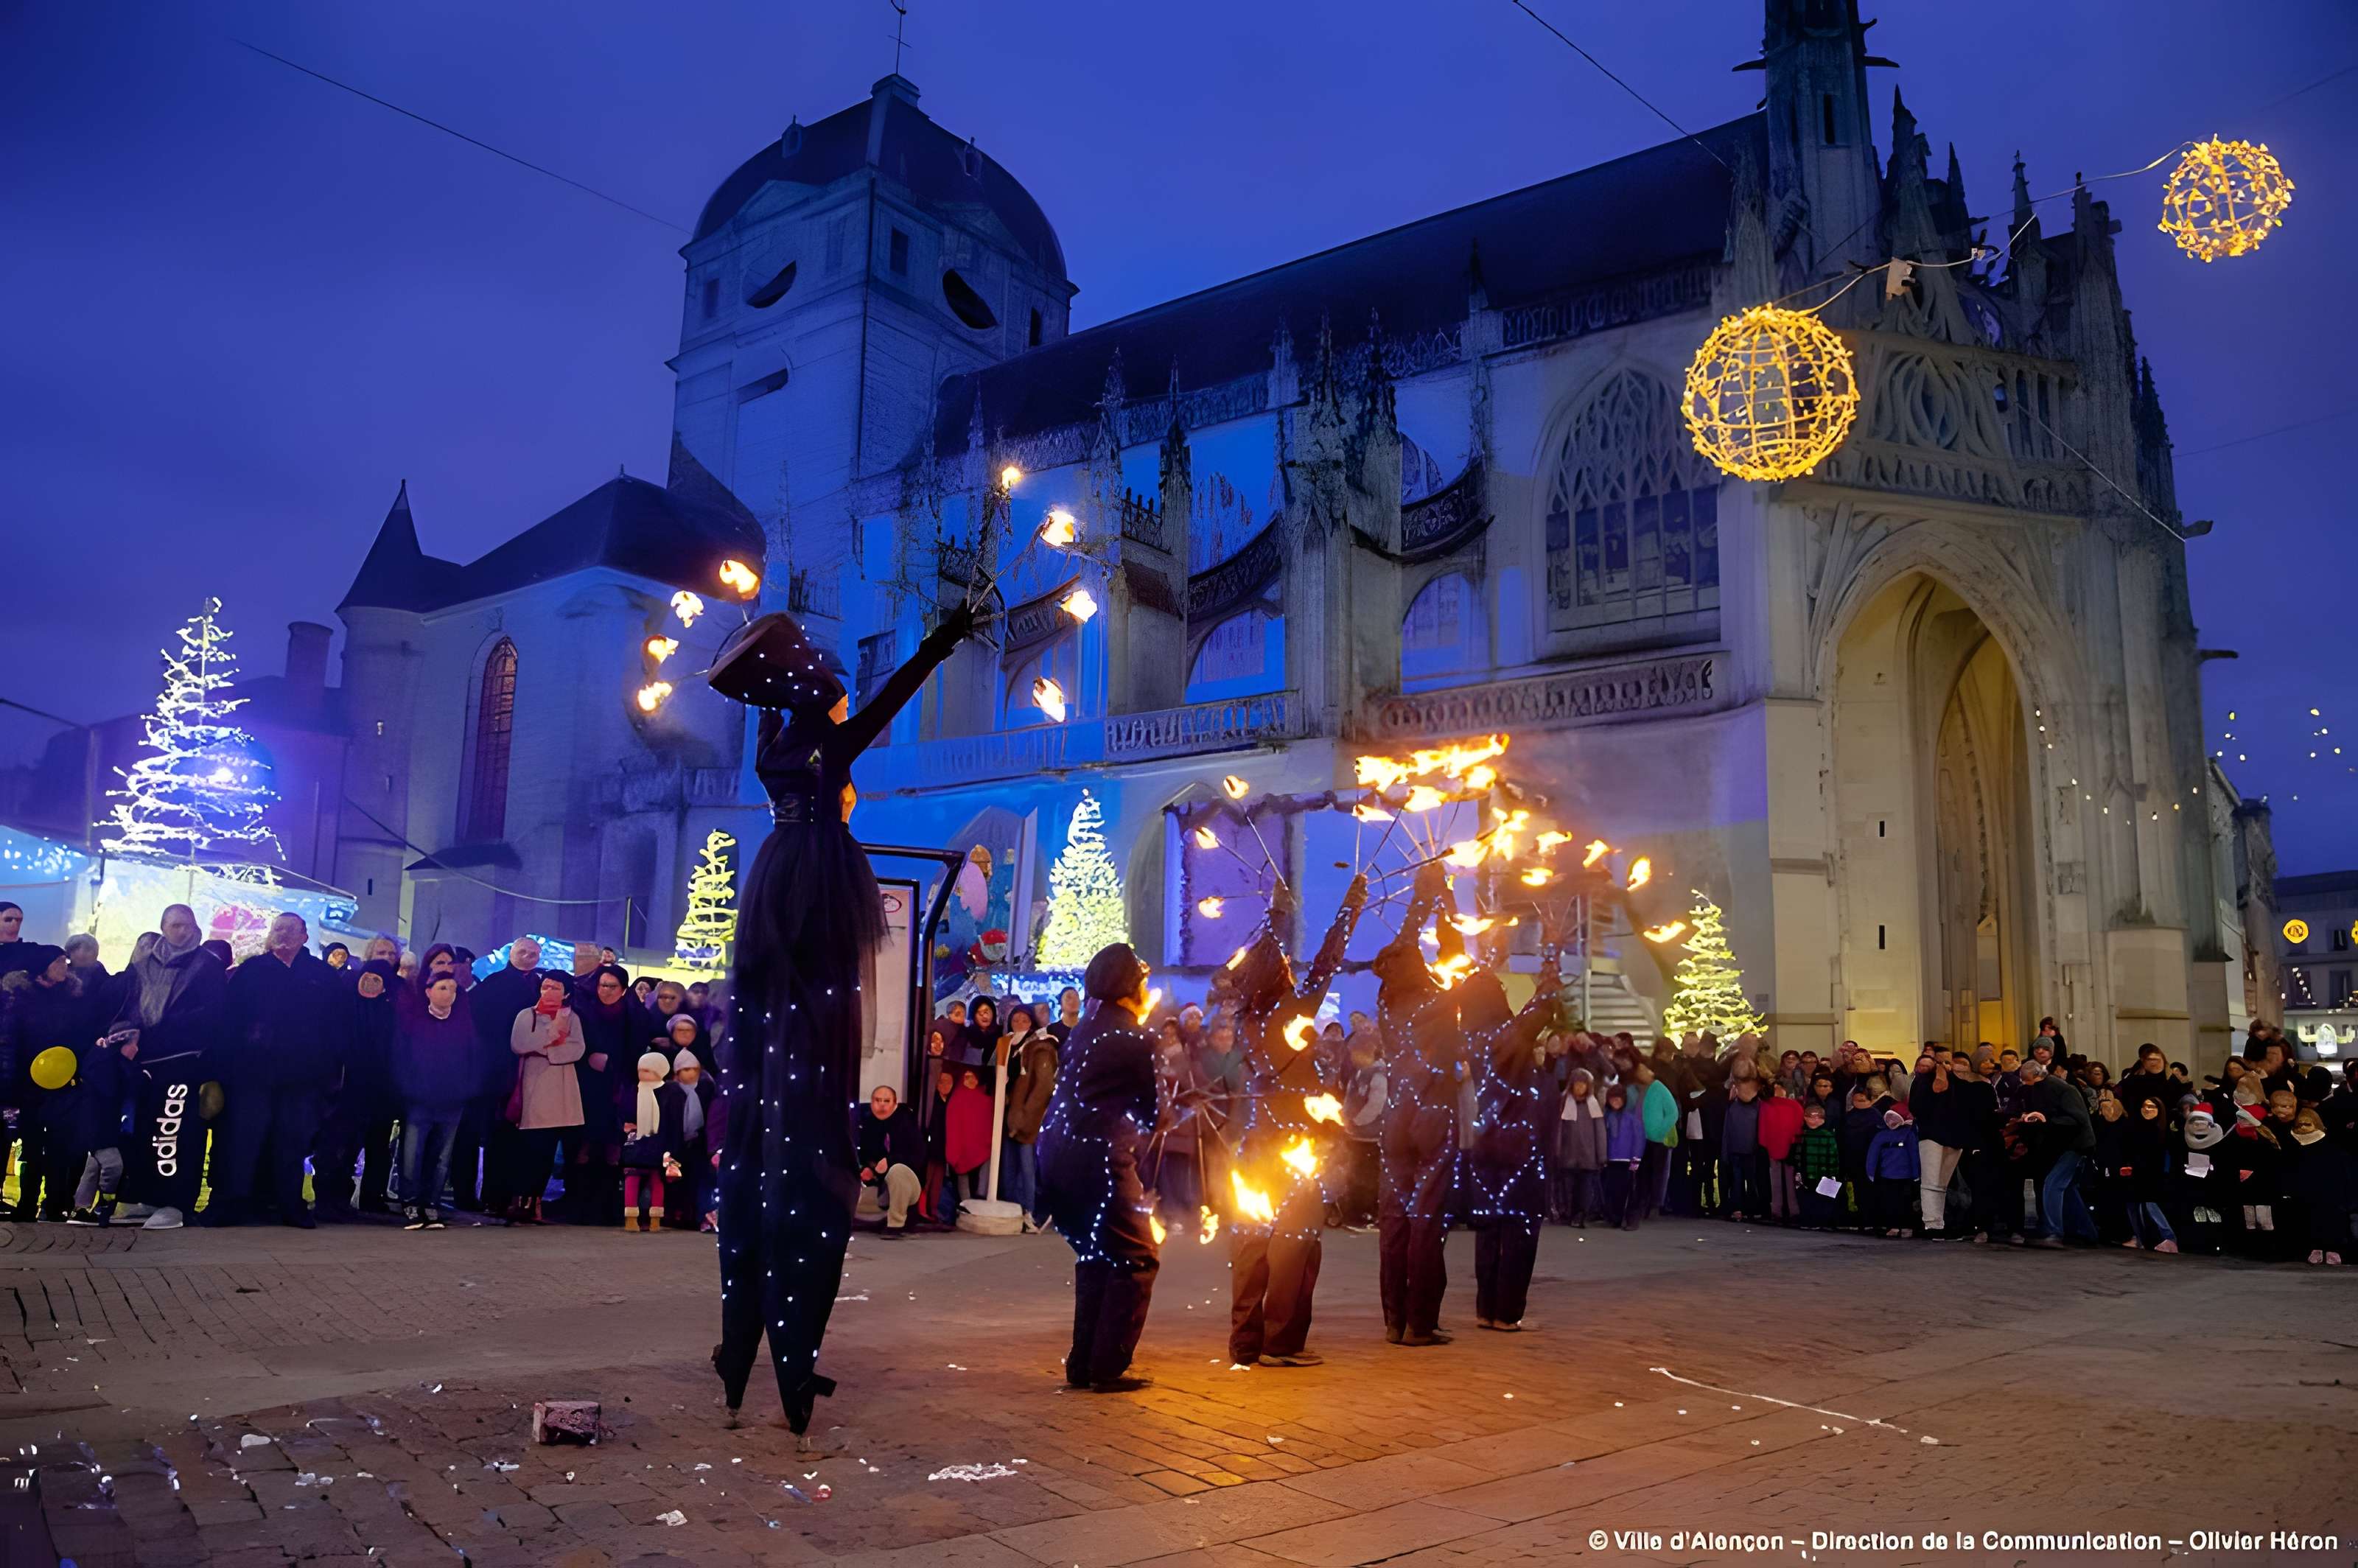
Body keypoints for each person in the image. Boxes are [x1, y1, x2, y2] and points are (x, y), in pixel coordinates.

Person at [707, 596, 976, 1439]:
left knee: (769, 1091)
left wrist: (761, 663)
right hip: (817, 889)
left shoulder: (775, 747)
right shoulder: (823, 742)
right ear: (819, 698)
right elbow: (892, 699)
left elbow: (764, 697)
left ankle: (740, 1351)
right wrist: (943, 639)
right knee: (811, 1099)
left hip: (777, 881)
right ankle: (786, 1354)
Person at [1222, 875, 1368, 1368]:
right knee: (1295, 1245)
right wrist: (1350, 905)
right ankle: (1281, 1342)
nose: (1290, 968)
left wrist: (1278, 912)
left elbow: (1268, 952)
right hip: (1293, 1148)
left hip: (1254, 1143)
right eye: (1284, 964)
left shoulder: (1246, 1017)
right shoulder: (1292, 1010)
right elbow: (1328, 962)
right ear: (1278, 974)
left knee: (1251, 1240)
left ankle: (1244, 1340)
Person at [1035, 942, 1163, 1393]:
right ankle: (1107, 1367)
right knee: (1137, 1257)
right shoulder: (1136, 1036)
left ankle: (1084, 1363)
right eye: (1144, 982)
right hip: (1099, 1162)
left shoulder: (1084, 1028)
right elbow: (1153, 1113)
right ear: (1131, 986)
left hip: (1056, 1157)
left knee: (1096, 1256)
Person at [211, 913, 351, 1228]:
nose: (283, 934)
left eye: (290, 929)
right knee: (244, 1141)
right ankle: (232, 1204)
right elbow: (229, 1022)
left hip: (303, 1077)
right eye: (278, 928)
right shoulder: (251, 971)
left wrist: (328, 1068)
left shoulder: (322, 976)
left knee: (293, 1143)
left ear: (304, 936)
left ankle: (290, 1205)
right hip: (252, 1075)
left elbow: (339, 1026)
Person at [1374, 864, 1460, 1346]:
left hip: (1395, 1118)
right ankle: (1420, 1323)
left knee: (1394, 1217)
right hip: (1430, 1116)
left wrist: (1420, 901)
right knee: (1426, 1219)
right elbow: (1455, 955)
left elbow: (1403, 951)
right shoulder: (1440, 1000)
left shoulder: (1388, 1000)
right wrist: (1444, 903)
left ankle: (1393, 1319)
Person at [1461, 937, 1563, 1333]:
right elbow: (1538, 1012)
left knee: (1488, 1228)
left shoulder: (1471, 1037)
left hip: (1485, 1143)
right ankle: (1507, 1312)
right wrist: (1550, 970)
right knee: (1520, 1229)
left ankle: (1486, 1308)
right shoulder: (1505, 1037)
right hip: (1519, 1145)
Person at [105, 906, 226, 1231]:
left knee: (174, 1132)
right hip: (145, 1062)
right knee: (146, 1130)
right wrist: (127, 1032)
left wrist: (159, 1031)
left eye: (187, 926)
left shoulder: (206, 965)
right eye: (175, 926)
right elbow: (128, 1004)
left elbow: (212, 1015)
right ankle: (150, 1195)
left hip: (184, 1061)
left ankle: (177, 1202)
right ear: (163, 927)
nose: (182, 932)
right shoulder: (143, 963)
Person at [3, 943, 102, 1222]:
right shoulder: (19, 997)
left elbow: (83, 1036)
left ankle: (56, 1203)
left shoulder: (74, 996)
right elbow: (10, 1042)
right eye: (59, 961)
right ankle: (27, 1204)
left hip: (65, 1085)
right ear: (43, 966)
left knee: (62, 1147)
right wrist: (10, 1085)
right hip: (29, 1085)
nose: (65, 966)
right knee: (32, 1149)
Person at [461, 937, 545, 1216]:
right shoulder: (494, 984)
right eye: (523, 952)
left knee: (514, 1136)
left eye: (534, 953)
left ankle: (510, 1196)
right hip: (496, 1070)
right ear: (512, 953)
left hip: (528, 1070)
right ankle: (490, 1196)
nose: (529, 957)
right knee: (493, 1134)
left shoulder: (539, 985)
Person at [393, 972, 475, 1230]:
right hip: (420, 1099)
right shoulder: (414, 1023)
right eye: (442, 988)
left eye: (452, 989)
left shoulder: (463, 1025)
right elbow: (401, 1059)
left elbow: (475, 1061)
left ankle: (432, 1202)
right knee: (412, 1153)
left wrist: (465, 1090)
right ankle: (411, 1202)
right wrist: (411, 1089)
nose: (448, 993)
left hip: (452, 1101)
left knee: (442, 1157)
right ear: (428, 991)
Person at [510, 972, 585, 1224]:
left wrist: (546, 1052)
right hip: (536, 1087)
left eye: (556, 987)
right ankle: (522, 1203)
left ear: (566, 993)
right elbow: (520, 1043)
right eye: (546, 986)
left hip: (563, 1090)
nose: (549, 991)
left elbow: (577, 1048)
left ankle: (539, 1205)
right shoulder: (526, 1015)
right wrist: (550, 1039)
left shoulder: (572, 1017)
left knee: (551, 1150)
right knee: (532, 1149)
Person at [569, 962, 638, 1225]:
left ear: (623, 990)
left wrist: (613, 1062)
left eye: (612, 986)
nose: (605, 991)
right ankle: (580, 1204)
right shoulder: (586, 1013)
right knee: (584, 1145)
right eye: (602, 985)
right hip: (588, 1088)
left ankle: (607, 1207)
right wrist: (589, 1057)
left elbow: (636, 1052)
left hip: (619, 1089)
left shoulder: (633, 1015)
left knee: (613, 1149)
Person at [63, 1026, 136, 1227]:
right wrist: (126, 1061)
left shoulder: (98, 1060)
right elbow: (115, 1088)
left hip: (99, 1125)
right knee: (112, 1165)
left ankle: (80, 1208)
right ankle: (104, 1204)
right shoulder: (108, 1063)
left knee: (94, 1166)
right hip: (101, 1126)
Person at [2020, 1060, 2096, 1246]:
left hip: (2074, 1145)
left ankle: (2054, 1231)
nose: (2024, 1084)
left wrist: (2046, 1121)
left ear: (2035, 1077)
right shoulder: (2055, 1088)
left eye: (2026, 1080)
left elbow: (2076, 1120)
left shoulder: (2060, 1089)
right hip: (2072, 1144)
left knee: (2053, 1184)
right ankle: (2086, 1232)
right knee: (2066, 1187)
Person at [1003, 1005, 1059, 1230]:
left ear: (1031, 1023)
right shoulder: (1007, 1046)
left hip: (1026, 1119)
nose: (1019, 1024)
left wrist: (1027, 1116)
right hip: (1007, 1115)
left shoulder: (1040, 1047)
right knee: (1009, 1166)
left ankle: (1029, 1212)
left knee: (1027, 1167)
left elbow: (1043, 1087)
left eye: (1024, 1020)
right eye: (1015, 1020)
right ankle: (1012, 1211)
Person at [621, 1051, 679, 1231]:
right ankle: (631, 1218)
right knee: (633, 1178)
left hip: (658, 1145)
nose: (643, 1074)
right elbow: (624, 1114)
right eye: (641, 1070)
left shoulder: (670, 1093)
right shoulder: (634, 1091)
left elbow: (673, 1122)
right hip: (637, 1146)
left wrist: (672, 1153)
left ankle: (655, 1220)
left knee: (657, 1180)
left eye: (649, 1070)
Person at [854, 1084, 923, 1236]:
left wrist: (890, 1161)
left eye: (886, 1101)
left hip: (907, 1185)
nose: (882, 1105)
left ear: (895, 1103)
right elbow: (865, 1156)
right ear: (872, 1103)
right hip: (880, 1184)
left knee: (897, 1170)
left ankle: (896, 1224)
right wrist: (868, 1169)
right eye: (878, 1100)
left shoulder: (906, 1123)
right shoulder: (868, 1125)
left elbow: (918, 1157)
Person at [662, 1046, 717, 1230]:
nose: (691, 1073)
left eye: (694, 1069)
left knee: (696, 1179)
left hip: (698, 1142)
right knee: (675, 1180)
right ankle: (674, 1215)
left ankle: (694, 1216)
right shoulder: (671, 1091)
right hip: (675, 1142)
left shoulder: (707, 1088)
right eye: (686, 1069)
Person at [1555, 1067, 1607, 1227]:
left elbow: (1600, 1132)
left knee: (1585, 1189)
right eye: (1577, 1084)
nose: (1580, 1087)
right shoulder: (1564, 1101)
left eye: (1583, 1084)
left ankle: (1581, 1214)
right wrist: (1556, 1151)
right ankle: (1568, 1214)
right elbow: (1559, 1129)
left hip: (1588, 1156)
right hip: (1568, 1154)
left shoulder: (1593, 1104)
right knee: (1568, 1188)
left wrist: (1602, 1155)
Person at [1866, 1107, 1920, 1237]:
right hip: (1889, 1175)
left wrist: (1916, 1174)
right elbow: (1872, 1155)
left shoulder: (1908, 1134)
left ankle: (1904, 1226)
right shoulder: (1883, 1135)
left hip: (1903, 1176)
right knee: (1894, 1202)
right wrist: (1871, 1172)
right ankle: (1897, 1226)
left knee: (1902, 1202)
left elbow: (1914, 1155)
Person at [1757, 1078, 1805, 1226]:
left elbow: (1799, 1126)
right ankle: (1778, 1210)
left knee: (1789, 1180)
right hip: (1776, 1145)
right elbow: (1762, 1126)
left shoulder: (1794, 1106)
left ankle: (1792, 1211)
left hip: (1788, 1146)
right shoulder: (1768, 1105)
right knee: (1776, 1179)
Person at [1720, 1076, 1766, 1222]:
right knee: (1737, 1181)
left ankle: (1752, 1209)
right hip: (1736, 1149)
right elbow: (1727, 1129)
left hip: (1753, 1149)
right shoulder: (1732, 1105)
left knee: (1752, 1181)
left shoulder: (1759, 1105)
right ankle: (1738, 1208)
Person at [1599, 1083, 1645, 1228]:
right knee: (1612, 1190)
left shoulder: (1631, 1118)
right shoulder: (1606, 1117)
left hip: (1627, 1160)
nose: (1616, 1102)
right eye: (1613, 1099)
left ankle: (1626, 1218)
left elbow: (1639, 1138)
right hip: (1611, 1159)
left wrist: (1636, 1159)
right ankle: (1614, 1217)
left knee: (1626, 1191)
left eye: (1618, 1099)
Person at [945, 1067, 993, 1201]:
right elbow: (953, 1125)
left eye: (973, 1077)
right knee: (962, 1172)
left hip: (981, 1147)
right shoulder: (957, 1098)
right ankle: (965, 1205)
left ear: (978, 1079)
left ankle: (981, 1197)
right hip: (963, 1147)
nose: (970, 1080)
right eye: (967, 1077)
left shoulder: (986, 1099)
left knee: (987, 1161)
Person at [1793, 1102, 1842, 1228]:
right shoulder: (1803, 1135)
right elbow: (1798, 1154)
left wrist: (1833, 1174)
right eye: (1809, 1116)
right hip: (1807, 1172)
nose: (1813, 1120)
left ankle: (1819, 1221)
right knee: (1809, 1198)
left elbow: (1833, 1156)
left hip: (1822, 1173)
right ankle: (1811, 1220)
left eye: (1817, 1117)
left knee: (1821, 1199)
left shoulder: (1826, 1135)